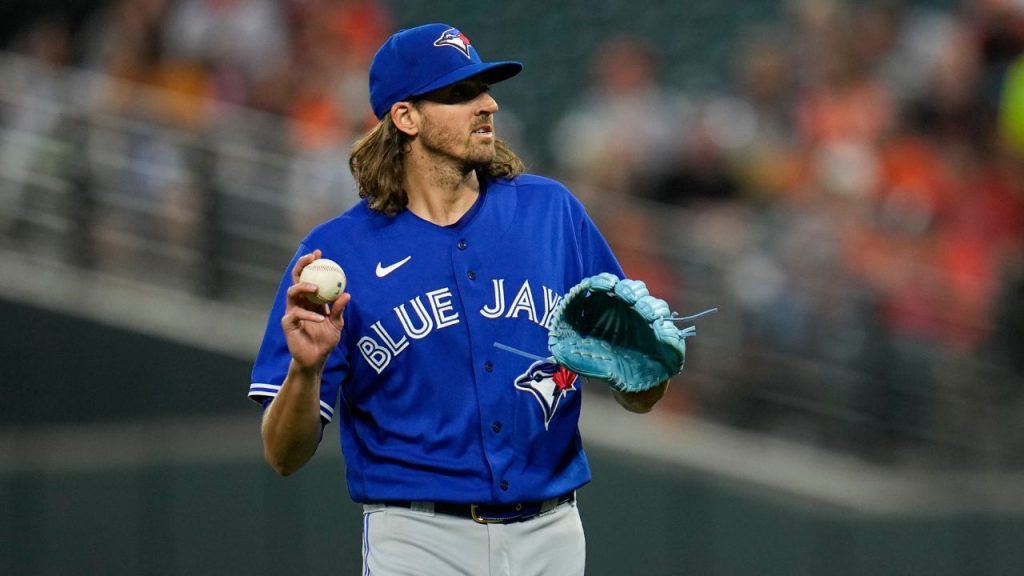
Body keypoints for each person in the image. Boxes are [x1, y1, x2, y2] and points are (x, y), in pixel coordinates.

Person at [248, 22, 669, 576]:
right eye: (460, 93)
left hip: (553, 532)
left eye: (485, 89)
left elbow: (640, 393)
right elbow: (284, 455)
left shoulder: (551, 214)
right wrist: (305, 371)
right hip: (419, 537)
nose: (487, 104)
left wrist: (645, 370)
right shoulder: (336, 254)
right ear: (406, 117)